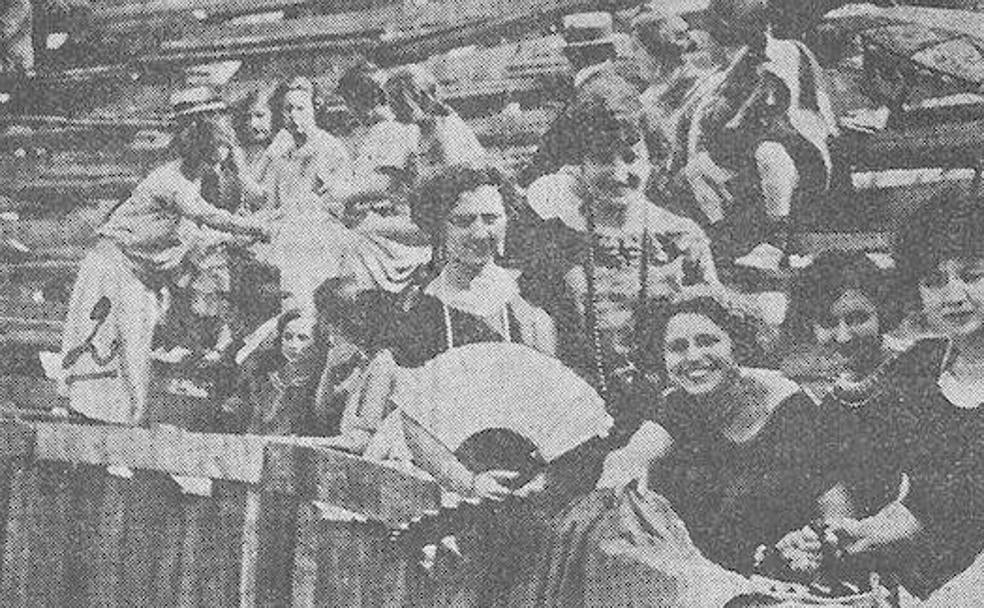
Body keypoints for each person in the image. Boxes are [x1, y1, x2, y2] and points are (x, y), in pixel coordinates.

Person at [791, 189, 984, 605]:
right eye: (934, 281)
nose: (953, 295)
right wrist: (861, 532)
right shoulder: (920, 367)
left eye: (972, 275)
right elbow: (924, 501)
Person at [58, 86, 272, 425]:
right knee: (108, 346)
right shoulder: (171, 182)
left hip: (139, 275)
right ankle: (98, 418)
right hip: (114, 266)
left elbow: (198, 234)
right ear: (198, 154)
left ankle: (126, 420)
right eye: (212, 162)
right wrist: (253, 228)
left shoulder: (195, 180)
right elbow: (207, 216)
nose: (217, 169)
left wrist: (242, 231)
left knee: (135, 350)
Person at [516, 85, 717, 430]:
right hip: (582, 416)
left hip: (677, 417)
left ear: (653, 160)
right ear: (579, 165)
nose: (618, 173)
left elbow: (716, 332)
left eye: (630, 157)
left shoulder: (682, 238)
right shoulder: (556, 243)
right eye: (601, 159)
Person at [333, 165, 556, 456]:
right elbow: (403, 397)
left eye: (491, 219)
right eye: (463, 221)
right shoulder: (421, 309)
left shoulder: (529, 310)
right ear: (439, 229)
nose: (479, 233)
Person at [668, 0, 838, 270]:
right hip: (755, 143)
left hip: (801, 148)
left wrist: (734, 122)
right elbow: (728, 113)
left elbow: (772, 104)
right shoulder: (745, 60)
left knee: (770, 153)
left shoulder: (785, 52)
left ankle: (776, 241)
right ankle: (723, 236)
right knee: (696, 170)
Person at [780, 251, 899, 400]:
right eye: (827, 322)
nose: (843, 338)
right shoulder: (798, 389)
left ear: (882, 313)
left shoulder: (908, 370)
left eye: (857, 319)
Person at [253, 76, 352, 215]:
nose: (293, 115)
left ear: (314, 109)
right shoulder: (282, 151)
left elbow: (339, 202)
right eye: (288, 109)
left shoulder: (331, 148)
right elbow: (270, 204)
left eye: (300, 108)